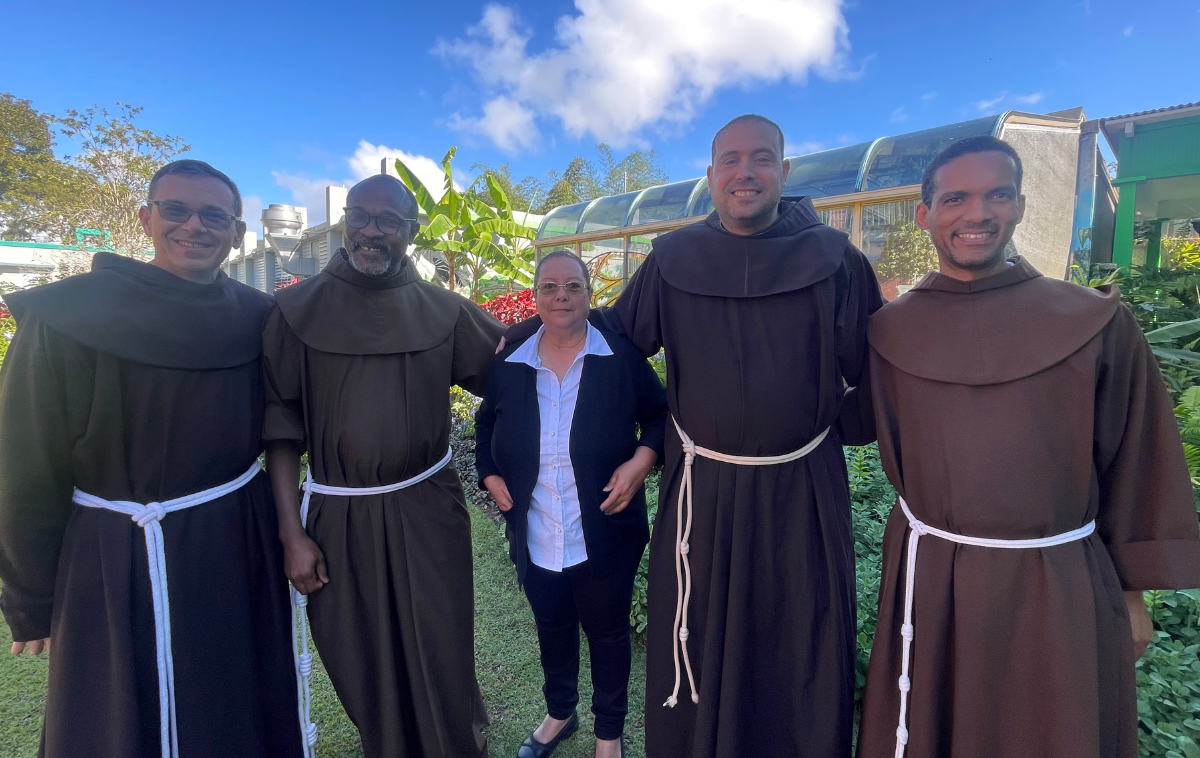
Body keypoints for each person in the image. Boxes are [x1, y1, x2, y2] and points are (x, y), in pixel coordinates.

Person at [503, 115, 883, 757]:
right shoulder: (673, 259)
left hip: (801, 488)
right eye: (730, 160)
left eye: (761, 159)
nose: (745, 172)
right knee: (702, 630)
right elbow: (619, 337)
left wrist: (821, 430)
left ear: (784, 173)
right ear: (710, 176)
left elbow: (876, 374)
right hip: (702, 489)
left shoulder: (836, 261)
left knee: (798, 629)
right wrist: (523, 336)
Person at [852, 136, 1200, 758]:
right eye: (956, 198)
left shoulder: (1091, 322)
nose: (977, 214)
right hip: (931, 580)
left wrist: (1132, 593)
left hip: (1055, 584)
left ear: (1019, 205)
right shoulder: (889, 332)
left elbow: (1137, 457)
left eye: (997, 195)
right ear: (925, 215)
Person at [0, 159, 303, 758]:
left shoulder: (257, 316)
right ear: (146, 218)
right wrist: (29, 596)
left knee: (232, 699)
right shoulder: (69, 315)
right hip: (112, 552)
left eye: (214, 215)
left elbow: (280, 427)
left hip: (233, 541)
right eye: (176, 210)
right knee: (113, 714)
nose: (195, 226)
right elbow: (24, 457)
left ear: (238, 232)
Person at [263, 173, 504, 758]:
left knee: (441, 636)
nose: (371, 231)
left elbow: (515, 375)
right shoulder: (294, 311)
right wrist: (291, 533)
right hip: (340, 515)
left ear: (411, 231)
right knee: (358, 647)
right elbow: (280, 433)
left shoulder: (444, 310)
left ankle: (454, 741)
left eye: (388, 220)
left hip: (428, 506)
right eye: (360, 216)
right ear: (345, 221)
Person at [476, 250, 668, 758]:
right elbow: (484, 425)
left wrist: (642, 460)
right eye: (549, 286)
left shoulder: (620, 358)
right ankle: (560, 714)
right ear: (536, 296)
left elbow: (660, 414)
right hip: (536, 530)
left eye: (573, 286)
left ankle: (609, 736)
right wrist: (489, 472)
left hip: (603, 532)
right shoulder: (509, 364)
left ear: (589, 294)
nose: (561, 295)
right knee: (552, 626)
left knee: (608, 635)